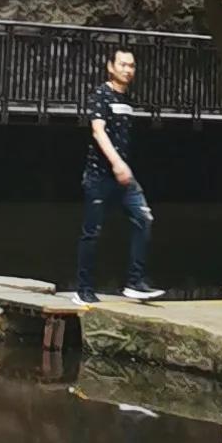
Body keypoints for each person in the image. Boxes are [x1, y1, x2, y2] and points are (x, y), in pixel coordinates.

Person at [73, 45, 161, 300]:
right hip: (99, 175)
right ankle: (83, 290)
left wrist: (124, 169)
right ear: (111, 67)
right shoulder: (101, 95)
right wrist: (117, 163)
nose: (128, 70)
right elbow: (98, 131)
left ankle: (134, 282)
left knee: (143, 219)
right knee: (92, 232)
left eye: (131, 65)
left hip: (124, 179)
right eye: (122, 64)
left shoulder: (127, 99)